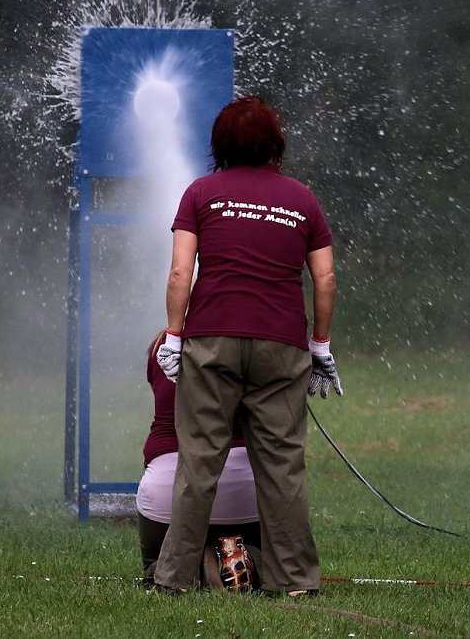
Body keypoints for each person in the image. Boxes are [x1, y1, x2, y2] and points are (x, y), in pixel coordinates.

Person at [152, 95, 342, 596]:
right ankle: (295, 581)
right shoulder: (302, 199)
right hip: (281, 344)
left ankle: (172, 580)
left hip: (211, 339)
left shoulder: (200, 193)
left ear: (219, 145)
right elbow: (325, 278)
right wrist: (320, 345)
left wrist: (174, 335)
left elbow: (180, 271)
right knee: (282, 466)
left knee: (199, 461)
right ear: (275, 144)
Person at [137, 329, 261, 590]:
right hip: (241, 488)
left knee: (156, 562)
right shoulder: (249, 341)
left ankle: (179, 570)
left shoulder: (161, 345)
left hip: (168, 490)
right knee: (265, 552)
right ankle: (246, 560)